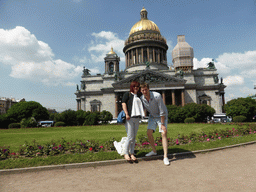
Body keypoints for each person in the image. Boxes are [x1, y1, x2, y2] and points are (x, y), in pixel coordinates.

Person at [140, 82, 170, 165]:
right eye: (143, 90)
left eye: (146, 89)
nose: (145, 91)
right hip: (152, 116)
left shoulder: (157, 96)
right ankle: (154, 151)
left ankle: (165, 157)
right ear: (141, 91)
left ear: (149, 89)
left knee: (163, 133)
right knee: (149, 133)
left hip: (162, 116)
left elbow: (162, 110)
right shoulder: (142, 98)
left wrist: (162, 124)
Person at [122, 81, 145, 163]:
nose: (136, 88)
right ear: (131, 87)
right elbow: (123, 104)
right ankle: (125, 153)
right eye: (134, 86)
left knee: (134, 137)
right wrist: (126, 113)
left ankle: (132, 153)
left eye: (137, 86)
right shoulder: (127, 94)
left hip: (137, 118)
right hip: (130, 118)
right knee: (130, 136)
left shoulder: (139, 96)